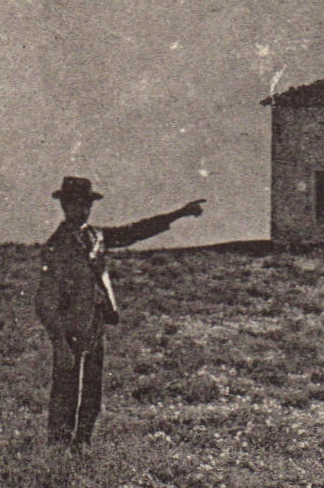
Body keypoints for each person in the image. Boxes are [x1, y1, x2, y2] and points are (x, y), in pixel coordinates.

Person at [34, 177, 205, 447]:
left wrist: (180, 213)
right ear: (65, 206)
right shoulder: (56, 246)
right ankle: (58, 453)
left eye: (87, 204)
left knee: (91, 392)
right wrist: (59, 340)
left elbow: (135, 231)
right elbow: (45, 300)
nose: (84, 209)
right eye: (77, 204)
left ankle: (81, 447)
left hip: (95, 324)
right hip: (69, 329)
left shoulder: (96, 235)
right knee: (67, 392)